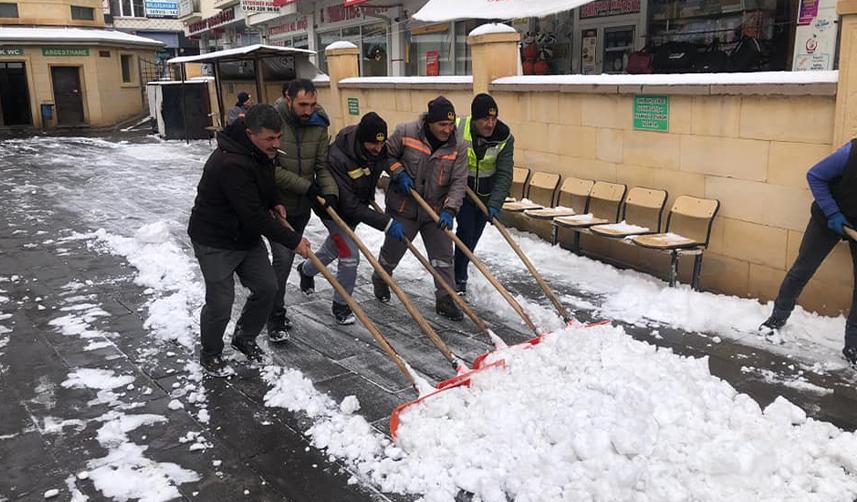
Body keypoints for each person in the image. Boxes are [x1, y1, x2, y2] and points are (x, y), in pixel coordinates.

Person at [187, 104, 311, 377]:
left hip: (244, 235)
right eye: (270, 138)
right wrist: (293, 240)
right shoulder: (231, 163)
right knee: (220, 302)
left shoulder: (259, 151)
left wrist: (275, 201)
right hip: (215, 239)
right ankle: (211, 353)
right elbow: (254, 215)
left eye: (278, 137)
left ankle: (244, 336)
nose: (276, 144)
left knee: (267, 287)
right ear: (249, 133)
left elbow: (265, 183)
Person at [297, 112, 404, 324]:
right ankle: (342, 305)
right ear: (362, 139)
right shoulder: (338, 157)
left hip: (357, 206)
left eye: (380, 144)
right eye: (373, 144)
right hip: (334, 211)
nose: (378, 148)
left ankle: (307, 270)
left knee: (334, 249)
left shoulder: (378, 148)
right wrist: (386, 223)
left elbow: (387, 160)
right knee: (349, 257)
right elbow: (349, 205)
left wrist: (397, 174)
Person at [759, 141, 857, 367]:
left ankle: (853, 344)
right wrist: (833, 214)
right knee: (802, 269)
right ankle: (778, 317)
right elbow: (815, 175)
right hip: (829, 218)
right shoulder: (851, 153)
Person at [373, 96, 467, 321]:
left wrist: (450, 209)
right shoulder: (405, 132)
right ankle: (381, 277)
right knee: (392, 251)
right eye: (442, 125)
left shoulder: (458, 146)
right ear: (430, 123)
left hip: (435, 211)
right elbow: (386, 155)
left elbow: (459, 182)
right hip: (404, 207)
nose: (447, 129)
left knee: (444, 257)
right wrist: (398, 172)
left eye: (450, 124)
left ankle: (445, 299)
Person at [268, 79, 338, 339]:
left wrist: (329, 191)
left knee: (284, 259)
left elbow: (321, 164)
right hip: (274, 205)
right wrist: (305, 186)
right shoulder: (272, 122)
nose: (308, 110)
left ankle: (272, 301)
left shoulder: (318, 123)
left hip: (300, 207)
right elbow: (269, 170)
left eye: (312, 104)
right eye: (302, 104)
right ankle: (274, 315)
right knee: (283, 258)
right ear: (288, 98)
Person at [453, 93, 514, 296]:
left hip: (486, 194)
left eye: (493, 119)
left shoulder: (504, 137)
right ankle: (459, 277)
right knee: (466, 230)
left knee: (473, 236)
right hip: (462, 188)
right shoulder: (459, 129)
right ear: (475, 119)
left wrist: (495, 203)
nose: (490, 124)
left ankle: (461, 265)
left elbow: (504, 174)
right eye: (485, 119)